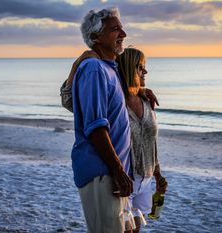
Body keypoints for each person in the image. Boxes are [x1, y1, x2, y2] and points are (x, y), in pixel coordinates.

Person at [70, 7, 133, 232]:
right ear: (96, 37)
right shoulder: (94, 69)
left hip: (113, 174)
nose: (123, 34)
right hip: (103, 173)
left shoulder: (108, 69)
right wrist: (118, 171)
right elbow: (96, 127)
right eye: (115, 29)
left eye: (122, 28)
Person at [116, 48, 167, 233]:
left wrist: (158, 174)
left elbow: (150, 142)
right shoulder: (116, 102)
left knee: (136, 230)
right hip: (124, 179)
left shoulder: (146, 101)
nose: (145, 72)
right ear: (129, 69)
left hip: (145, 179)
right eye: (140, 67)